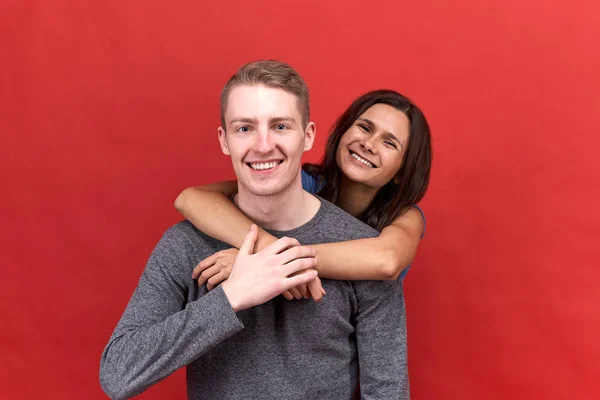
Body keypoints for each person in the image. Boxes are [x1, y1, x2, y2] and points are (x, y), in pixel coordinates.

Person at [99, 60, 410, 399]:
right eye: (245, 128)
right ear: (224, 140)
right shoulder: (185, 244)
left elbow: (388, 392)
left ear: (308, 137)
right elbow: (118, 375)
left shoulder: (360, 252)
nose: (262, 145)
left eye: (280, 126)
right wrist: (232, 296)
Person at [174, 88, 431, 302]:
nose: (368, 144)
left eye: (389, 143)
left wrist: (271, 261)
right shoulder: (302, 183)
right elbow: (191, 198)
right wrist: (265, 254)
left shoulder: (405, 216)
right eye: (364, 128)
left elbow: (387, 260)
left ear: (402, 170)